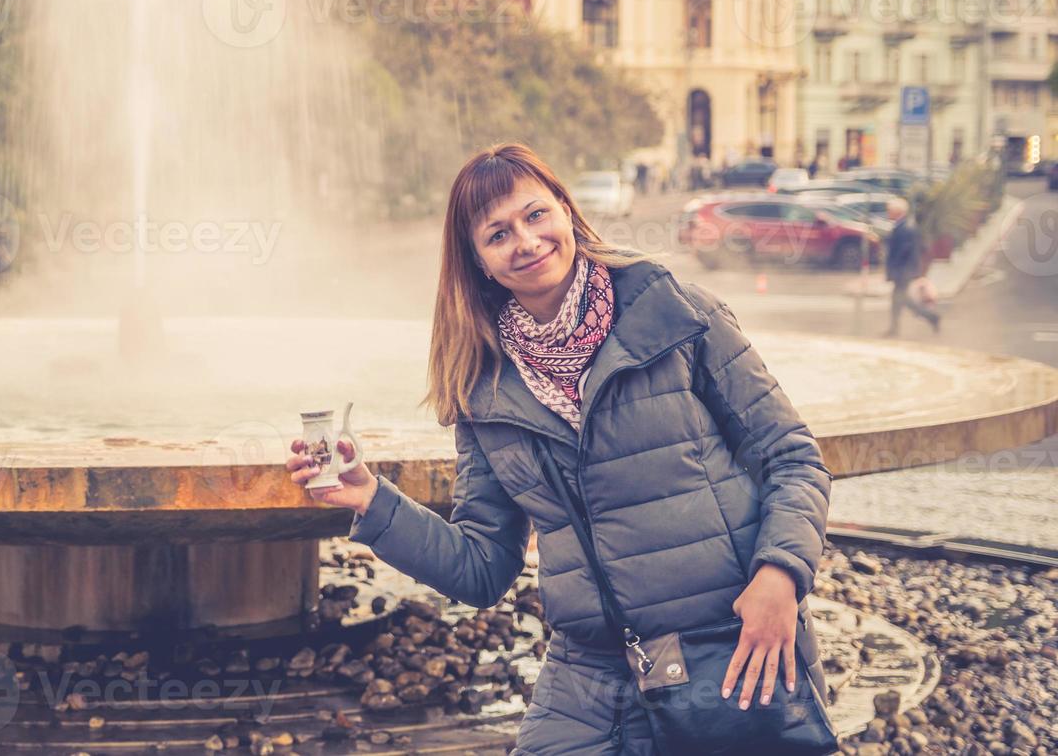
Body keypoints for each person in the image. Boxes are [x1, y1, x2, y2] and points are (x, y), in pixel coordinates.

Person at [287, 143, 833, 755]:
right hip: (592, 672)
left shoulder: (677, 314)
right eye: (498, 234)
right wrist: (374, 502)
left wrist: (779, 578)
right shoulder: (480, 386)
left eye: (536, 215)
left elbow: (792, 457)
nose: (525, 240)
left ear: (567, 214)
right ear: (479, 264)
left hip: (727, 640)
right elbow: (481, 567)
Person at [882, 198, 939, 336]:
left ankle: (931, 317)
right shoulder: (904, 226)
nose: (887, 213)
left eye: (889, 210)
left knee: (902, 300)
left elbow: (903, 252)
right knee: (901, 300)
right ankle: (895, 327)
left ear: (897, 212)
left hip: (903, 272)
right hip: (904, 271)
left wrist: (894, 270)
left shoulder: (906, 228)